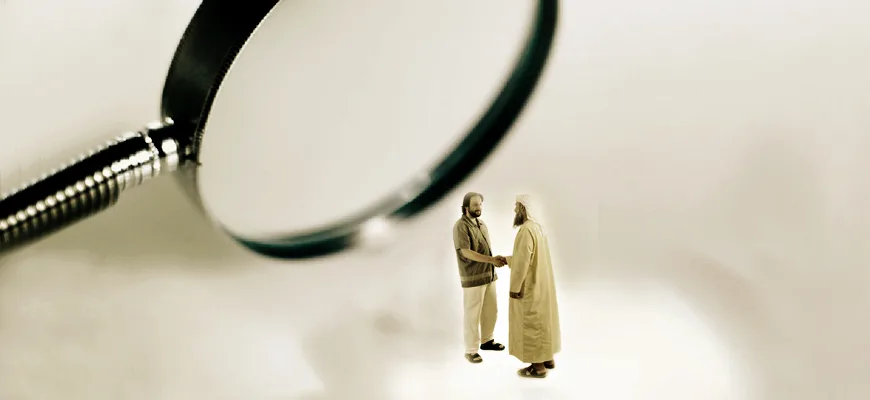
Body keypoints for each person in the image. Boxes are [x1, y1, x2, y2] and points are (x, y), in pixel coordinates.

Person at [503, 194, 562, 378]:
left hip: (530, 286)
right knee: (543, 321)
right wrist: (507, 260)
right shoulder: (538, 228)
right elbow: (532, 257)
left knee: (531, 324)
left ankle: (538, 367)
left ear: (523, 208)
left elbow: (523, 263)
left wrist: (515, 288)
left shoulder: (526, 230)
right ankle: (548, 358)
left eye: (516, 206)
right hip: (542, 285)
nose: (514, 210)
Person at [452, 191, 508, 363]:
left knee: (491, 310)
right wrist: (491, 260)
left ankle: (487, 341)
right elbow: (466, 252)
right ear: (466, 207)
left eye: (480, 204)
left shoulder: (482, 224)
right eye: (475, 205)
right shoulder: (461, 226)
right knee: (472, 314)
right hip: (473, 277)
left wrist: (494, 261)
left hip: (489, 275)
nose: (479, 207)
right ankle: (471, 350)